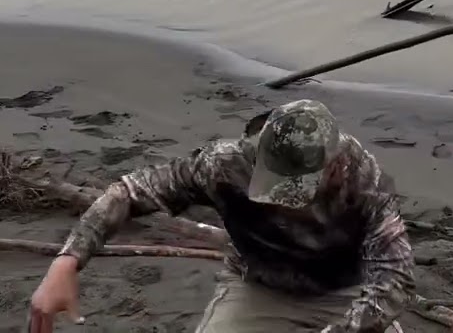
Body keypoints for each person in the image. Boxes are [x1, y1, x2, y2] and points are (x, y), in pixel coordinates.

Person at [27, 99, 415, 333]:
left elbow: (393, 282)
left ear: (333, 167)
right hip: (258, 286)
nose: (281, 203)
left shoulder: (366, 182)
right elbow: (132, 191)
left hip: (344, 294)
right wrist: (66, 262)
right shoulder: (225, 164)